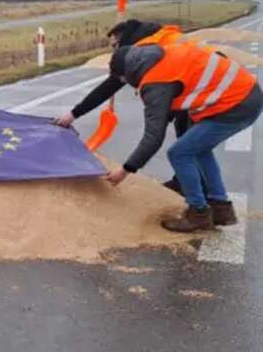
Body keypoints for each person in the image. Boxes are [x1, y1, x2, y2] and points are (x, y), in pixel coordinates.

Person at [102, 34, 262, 232]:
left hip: (235, 103)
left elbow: (153, 137)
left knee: (179, 152)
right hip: (244, 95)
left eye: (122, 79)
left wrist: (125, 170)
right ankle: (221, 207)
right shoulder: (161, 54)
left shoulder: (155, 81)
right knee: (199, 149)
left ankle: (199, 213)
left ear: (127, 72)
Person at [54, 19, 197, 193]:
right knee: (187, 139)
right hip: (190, 86)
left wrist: (73, 114)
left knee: (187, 143)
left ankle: (197, 194)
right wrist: (74, 113)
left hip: (200, 89)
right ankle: (189, 184)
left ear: (124, 38)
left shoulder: (144, 49)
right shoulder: (150, 42)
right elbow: (114, 83)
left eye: (115, 46)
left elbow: (111, 85)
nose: (114, 51)